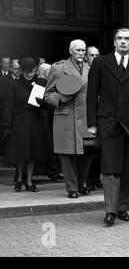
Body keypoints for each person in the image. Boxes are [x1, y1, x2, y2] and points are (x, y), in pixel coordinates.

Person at [86, 28, 129, 226]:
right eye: (119, 38)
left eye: (127, 39)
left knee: (125, 166)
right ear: (114, 42)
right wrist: (93, 124)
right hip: (108, 121)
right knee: (110, 166)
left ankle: (123, 207)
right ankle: (110, 210)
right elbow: (91, 95)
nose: (123, 42)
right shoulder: (101, 63)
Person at [44, 40, 92, 199]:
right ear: (71, 51)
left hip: (85, 118)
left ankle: (80, 182)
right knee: (67, 155)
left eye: (83, 50)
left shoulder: (90, 69)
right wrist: (60, 98)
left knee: (87, 152)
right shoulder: (58, 69)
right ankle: (72, 187)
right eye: (78, 50)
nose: (81, 53)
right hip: (66, 117)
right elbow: (48, 94)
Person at [2, 58, 47, 192]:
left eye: (33, 71)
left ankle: (29, 181)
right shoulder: (14, 84)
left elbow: (46, 105)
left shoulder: (40, 83)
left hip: (34, 122)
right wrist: (6, 126)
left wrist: (43, 102)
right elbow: (9, 106)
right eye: (27, 72)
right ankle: (19, 179)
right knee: (21, 153)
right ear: (22, 71)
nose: (30, 74)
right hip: (19, 123)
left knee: (32, 153)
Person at [84, 46, 102, 191]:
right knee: (88, 150)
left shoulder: (103, 70)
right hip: (86, 115)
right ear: (86, 57)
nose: (94, 57)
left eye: (97, 55)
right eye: (91, 55)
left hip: (102, 115)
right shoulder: (82, 71)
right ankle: (87, 180)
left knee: (100, 150)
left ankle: (96, 179)